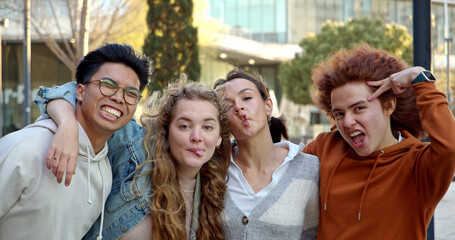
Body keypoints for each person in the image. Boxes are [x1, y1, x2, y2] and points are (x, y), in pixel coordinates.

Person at [34, 75, 231, 240]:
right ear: (166, 132)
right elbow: (63, 92)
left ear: (219, 137)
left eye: (207, 127)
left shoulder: (215, 192)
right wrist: (67, 125)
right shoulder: (136, 151)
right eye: (184, 126)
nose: (196, 137)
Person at [0, 43, 150, 240]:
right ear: (79, 91)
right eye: (108, 85)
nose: (118, 98)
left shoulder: (105, 168)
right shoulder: (25, 148)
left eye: (130, 93)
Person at [304, 44, 455, 239]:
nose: (348, 122)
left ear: (389, 105)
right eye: (339, 113)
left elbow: (450, 145)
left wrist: (420, 78)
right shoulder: (325, 147)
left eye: (358, 108)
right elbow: (274, 169)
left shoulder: (418, 164)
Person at [214, 69, 320, 239]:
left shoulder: (309, 169)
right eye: (228, 105)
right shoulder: (213, 169)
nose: (239, 107)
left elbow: (312, 234)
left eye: (247, 98)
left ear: (268, 106)